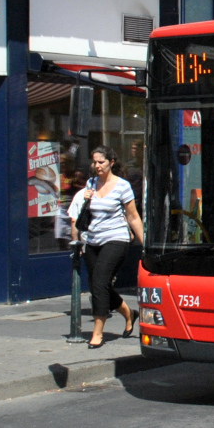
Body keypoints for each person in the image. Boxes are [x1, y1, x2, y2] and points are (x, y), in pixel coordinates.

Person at [68, 146, 143, 349]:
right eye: (94, 162)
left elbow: (133, 216)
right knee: (98, 285)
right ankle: (129, 313)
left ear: (111, 162)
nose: (97, 166)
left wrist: (143, 243)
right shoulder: (91, 183)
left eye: (101, 162)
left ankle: (97, 332)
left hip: (116, 238)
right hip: (93, 240)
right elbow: (83, 215)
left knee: (100, 283)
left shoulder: (122, 186)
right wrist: (86, 200)